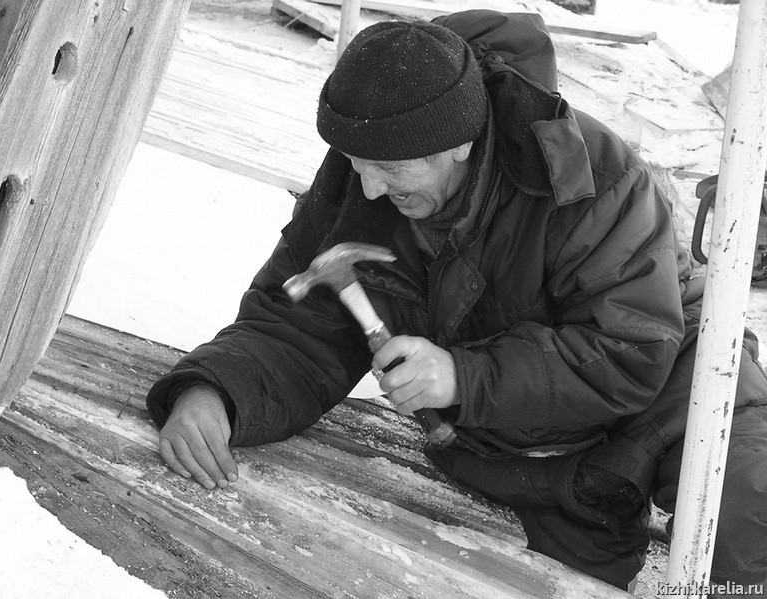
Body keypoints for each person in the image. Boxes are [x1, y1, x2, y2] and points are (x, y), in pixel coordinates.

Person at [146, 10, 767, 593]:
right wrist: (216, 391)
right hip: (526, 451)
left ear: (459, 143)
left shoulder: (590, 176)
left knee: (750, 522)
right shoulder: (367, 174)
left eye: (390, 169)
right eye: (357, 163)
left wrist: (463, 376)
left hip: (681, 388)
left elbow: (628, 349)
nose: (369, 187)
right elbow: (297, 327)